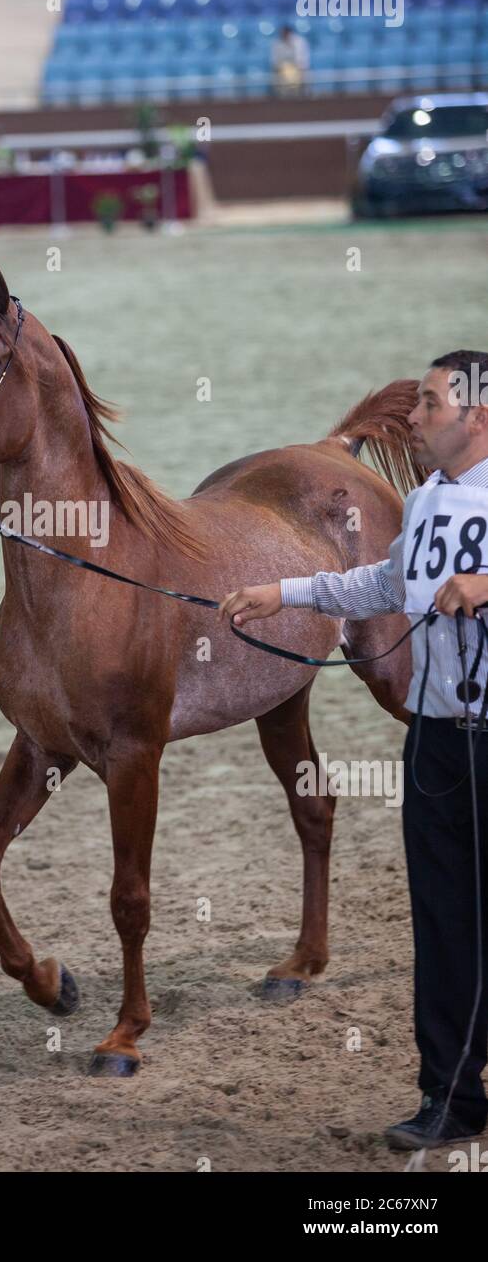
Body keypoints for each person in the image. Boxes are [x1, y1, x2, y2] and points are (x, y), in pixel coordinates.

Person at [219, 350, 488, 1150]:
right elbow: (378, 584)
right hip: (440, 741)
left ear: (478, 414)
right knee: (442, 923)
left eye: (432, 403)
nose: (414, 416)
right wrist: (286, 592)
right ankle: (450, 1097)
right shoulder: (430, 500)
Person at [272, 25, 309, 96]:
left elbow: (302, 60)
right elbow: (275, 61)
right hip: (282, 71)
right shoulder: (276, 43)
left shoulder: (299, 42)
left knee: (299, 74)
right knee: (283, 73)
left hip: (299, 70)